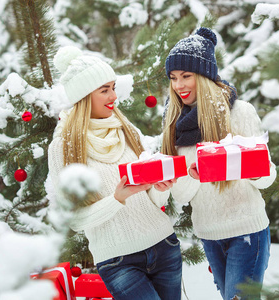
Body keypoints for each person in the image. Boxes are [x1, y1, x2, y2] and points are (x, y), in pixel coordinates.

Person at [48, 46, 182, 300]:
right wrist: (117, 199)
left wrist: (159, 188)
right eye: (105, 90)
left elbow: (149, 198)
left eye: (113, 87)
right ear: (86, 96)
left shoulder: (125, 129)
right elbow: (74, 220)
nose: (114, 96)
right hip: (119, 261)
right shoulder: (63, 148)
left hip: (163, 245)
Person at [161, 27, 277, 300]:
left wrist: (240, 161)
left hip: (247, 231)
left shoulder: (240, 113)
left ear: (205, 75)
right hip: (209, 234)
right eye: (174, 78)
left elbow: (268, 176)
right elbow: (179, 194)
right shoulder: (173, 123)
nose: (179, 86)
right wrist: (193, 174)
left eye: (187, 76)